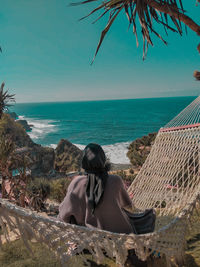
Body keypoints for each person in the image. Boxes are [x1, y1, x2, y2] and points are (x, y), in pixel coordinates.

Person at [58, 143, 147, 266]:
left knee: (73, 218)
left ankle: (74, 244)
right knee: (144, 216)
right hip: (123, 236)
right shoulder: (116, 180)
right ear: (103, 160)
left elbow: (63, 216)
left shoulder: (76, 183)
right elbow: (127, 205)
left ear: (84, 162)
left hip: (91, 237)